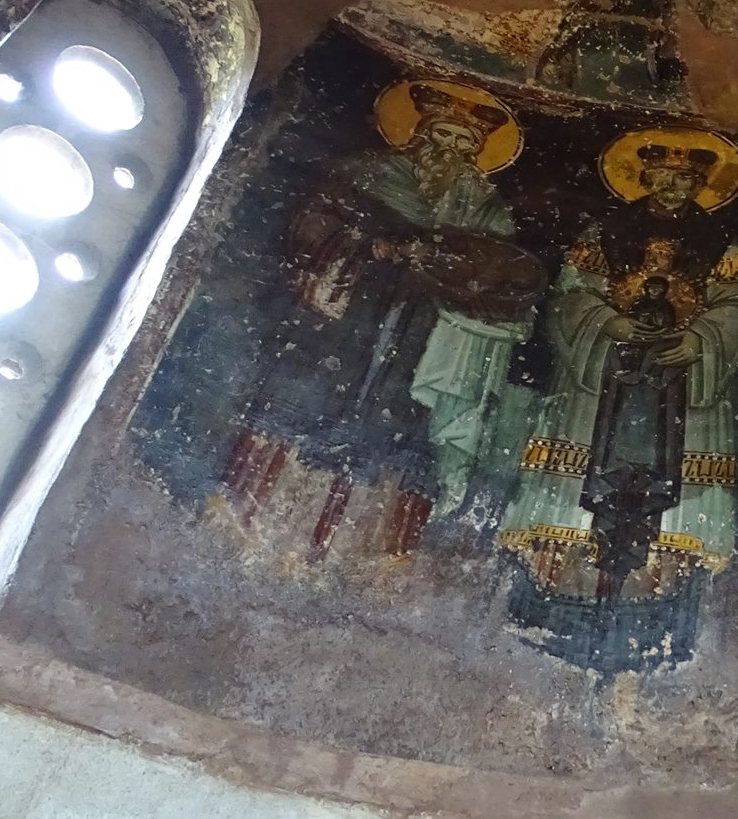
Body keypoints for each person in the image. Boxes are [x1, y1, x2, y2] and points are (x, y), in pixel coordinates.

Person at [214, 81, 540, 559]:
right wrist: (369, 245)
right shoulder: (366, 172)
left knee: (399, 433)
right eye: (443, 134)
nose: (450, 149)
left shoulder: (485, 205)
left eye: (464, 143)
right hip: (346, 312)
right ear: (420, 131)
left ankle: (374, 560)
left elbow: (507, 270)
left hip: (424, 329)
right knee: (297, 404)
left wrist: (446, 261)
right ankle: (237, 520)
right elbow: (310, 225)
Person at [499, 131, 738, 610]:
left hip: (679, 369)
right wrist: (606, 320)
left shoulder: (722, 243)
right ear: (644, 176)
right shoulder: (605, 231)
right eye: (663, 175)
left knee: (677, 468)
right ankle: (557, 581)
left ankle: (662, 588)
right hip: (606, 366)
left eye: (685, 178)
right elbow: (572, 292)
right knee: (584, 457)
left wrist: (700, 338)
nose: (673, 186)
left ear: (700, 184)